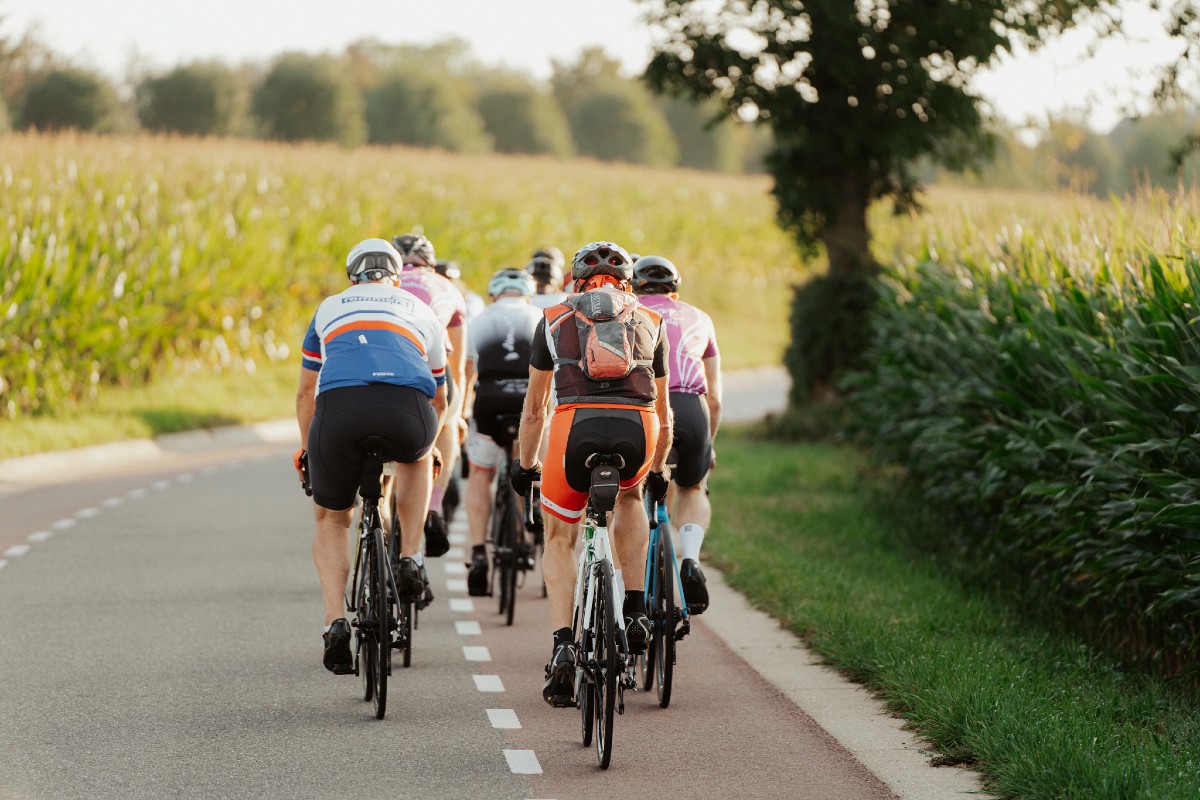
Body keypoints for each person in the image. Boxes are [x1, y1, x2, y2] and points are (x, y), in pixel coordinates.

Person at [510, 241, 672, 706]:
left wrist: (526, 465)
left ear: (576, 281)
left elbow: (535, 410)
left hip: (573, 428)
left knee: (559, 537)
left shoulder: (553, 318)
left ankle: (563, 644)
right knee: (630, 497)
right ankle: (636, 609)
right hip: (637, 427)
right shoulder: (652, 319)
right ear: (628, 283)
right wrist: (658, 468)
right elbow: (664, 413)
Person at [294, 238, 447, 674]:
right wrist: (428, 442)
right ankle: (411, 557)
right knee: (419, 456)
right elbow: (440, 397)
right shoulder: (420, 308)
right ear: (397, 278)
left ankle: (335, 622)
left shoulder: (328, 307)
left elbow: (306, 392)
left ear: (351, 278)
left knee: (331, 519)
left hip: (339, 413)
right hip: (406, 411)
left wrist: (308, 450)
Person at [631, 255, 722, 614]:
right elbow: (715, 397)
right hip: (691, 407)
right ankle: (692, 559)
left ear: (634, 287)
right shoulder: (700, 317)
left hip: (645, 405)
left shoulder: (630, 313)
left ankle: (629, 589)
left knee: (630, 495)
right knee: (692, 487)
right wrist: (708, 445)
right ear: (675, 290)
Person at [462, 268, 541, 595]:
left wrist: (464, 414)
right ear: (528, 295)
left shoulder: (478, 319)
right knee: (528, 463)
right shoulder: (540, 316)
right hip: (529, 399)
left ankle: (479, 552)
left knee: (481, 474)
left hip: (490, 399)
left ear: (494, 294)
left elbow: (468, 372)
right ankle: (530, 521)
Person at [392, 232, 468, 565]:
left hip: (380, 370)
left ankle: (380, 522)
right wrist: (459, 412)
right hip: (429, 369)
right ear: (431, 263)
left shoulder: (380, 284)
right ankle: (434, 506)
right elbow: (458, 363)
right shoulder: (446, 286)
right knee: (448, 423)